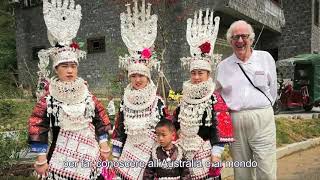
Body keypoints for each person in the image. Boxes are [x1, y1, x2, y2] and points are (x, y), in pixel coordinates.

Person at [28, 0, 112, 179]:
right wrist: (41, 158)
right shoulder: (49, 98)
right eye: (64, 66)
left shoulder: (86, 94)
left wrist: (104, 145)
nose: (69, 70)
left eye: (73, 66)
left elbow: (100, 118)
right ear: (56, 69)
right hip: (60, 156)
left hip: (89, 154)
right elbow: (38, 125)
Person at [111, 1, 171, 179]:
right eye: (133, 76)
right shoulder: (125, 100)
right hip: (129, 152)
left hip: (151, 153)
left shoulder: (157, 101)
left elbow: (166, 128)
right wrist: (115, 153)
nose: (137, 80)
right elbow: (120, 127)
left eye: (141, 76)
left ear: (148, 77)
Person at [175, 9, 234, 180]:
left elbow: (220, 127)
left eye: (201, 73)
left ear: (208, 75)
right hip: (184, 149)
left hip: (206, 151)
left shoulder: (214, 97)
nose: (196, 77)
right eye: (194, 73)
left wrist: (216, 153)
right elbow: (176, 119)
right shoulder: (185, 96)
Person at [216, 20, 277, 180]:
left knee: (266, 166)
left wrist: (264, 107)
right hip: (235, 120)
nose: (240, 41)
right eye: (235, 37)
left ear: (251, 39)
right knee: (242, 168)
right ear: (230, 41)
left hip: (262, 117)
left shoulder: (265, 58)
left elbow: (273, 90)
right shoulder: (223, 66)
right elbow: (218, 97)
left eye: (244, 36)